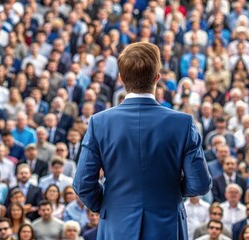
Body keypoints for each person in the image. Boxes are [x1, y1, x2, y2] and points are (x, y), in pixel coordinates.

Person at [73, 42, 211, 240]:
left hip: (116, 226)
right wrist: (171, 191)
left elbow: (82, 184)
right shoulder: (183, 123)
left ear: (121, 78)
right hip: (167, 225)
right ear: (157, 78)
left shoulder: (99, 123)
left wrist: (109, 205)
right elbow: (200, 184)